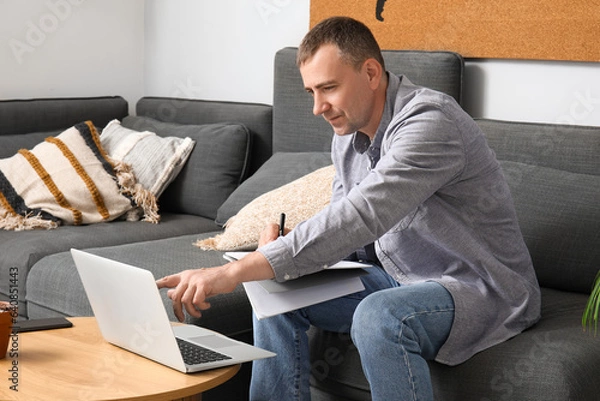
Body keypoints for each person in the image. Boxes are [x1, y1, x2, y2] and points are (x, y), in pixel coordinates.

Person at [158, 16, 541, 401]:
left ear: (371, 73)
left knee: (379, 316)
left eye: (328, 88)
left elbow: (359, 217)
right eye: (311, 91)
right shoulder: (346, 136)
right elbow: (347, 238)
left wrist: (231, 272)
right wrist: (289, 251)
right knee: (272, 285)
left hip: (476, 288)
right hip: (396, 275)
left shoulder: (430, 123)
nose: (317, 107)